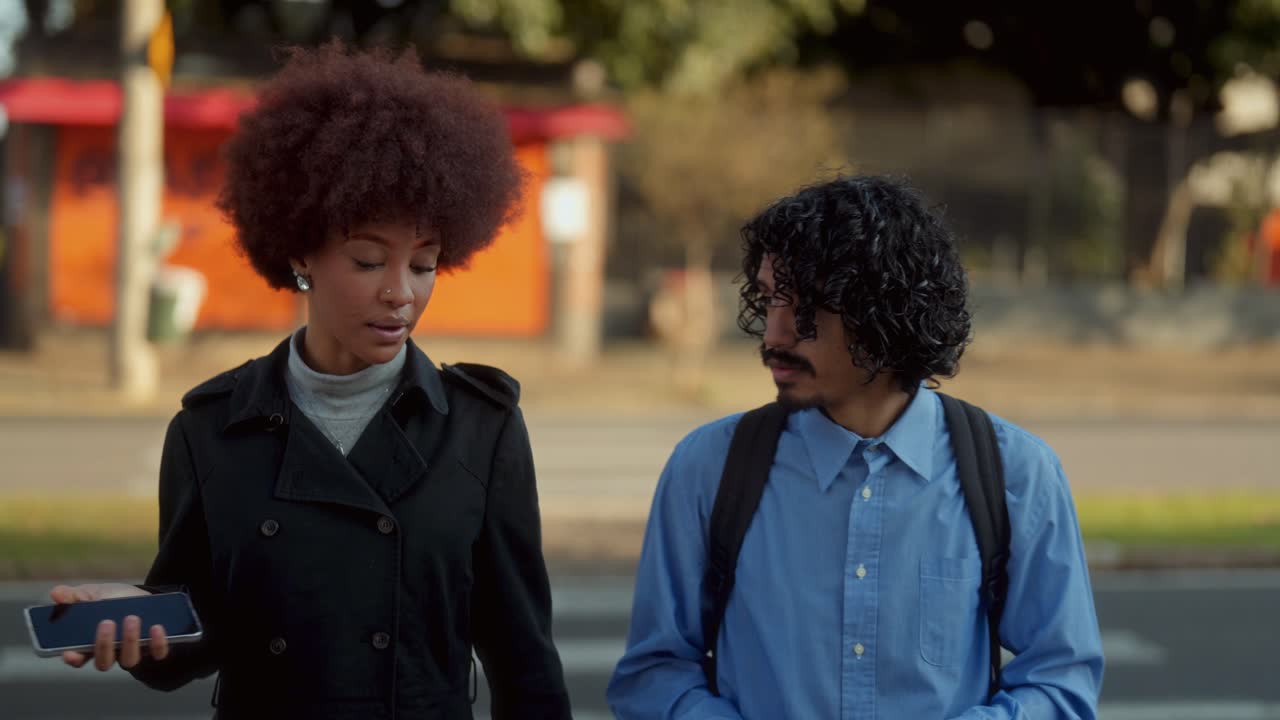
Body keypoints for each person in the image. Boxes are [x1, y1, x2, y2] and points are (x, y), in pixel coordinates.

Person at [48, 42, 571, 719]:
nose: (400, 294)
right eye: (366, 260)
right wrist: (137, 621)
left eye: (424, 264)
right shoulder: (209, 429)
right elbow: (200, 628)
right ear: (300, 251)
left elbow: (522, 656)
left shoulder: (481, 426)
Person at [607, 175, 1104, 719]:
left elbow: (1060, 681)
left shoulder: (1017, 473)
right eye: (770, 300)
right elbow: (653, 674)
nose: (773, 335)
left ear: (882, 316)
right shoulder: (707, 468)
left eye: (804, 312)